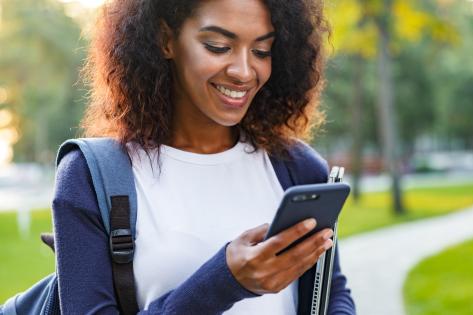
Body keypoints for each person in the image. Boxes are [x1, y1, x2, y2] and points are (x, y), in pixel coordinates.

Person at [53, 0, 355, 314]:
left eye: (262, 51)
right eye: (218, 46)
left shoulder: (297, 167)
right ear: (166, 40)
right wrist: (225, 282)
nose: (243, 71)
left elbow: (332, 291)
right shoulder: (92, 177)